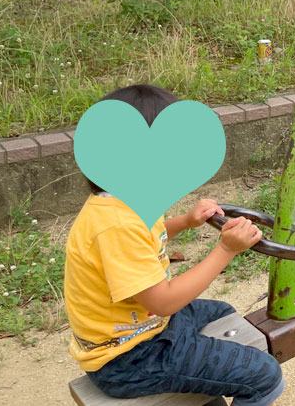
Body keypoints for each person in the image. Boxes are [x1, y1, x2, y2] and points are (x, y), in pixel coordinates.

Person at [65, 84, 283, 405]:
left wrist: (186, 221)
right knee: (264, 376)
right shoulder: (115, 224)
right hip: (129, 357)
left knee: (221, 314)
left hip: (147, 328)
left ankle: (200, 379)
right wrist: (226, 250)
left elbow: (146, 239)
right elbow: (163, 302)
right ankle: (194, 372)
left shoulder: (126, 200)